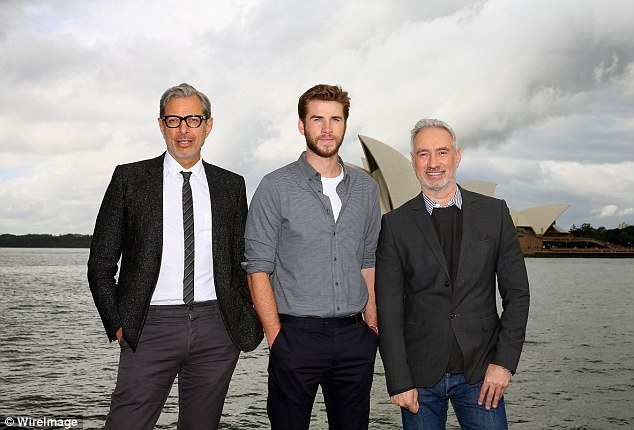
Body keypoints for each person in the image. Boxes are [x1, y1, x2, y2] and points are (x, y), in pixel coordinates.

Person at [87, 83, 262, 430]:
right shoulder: (130, 179)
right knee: (127, 422)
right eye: (174, 120)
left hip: (217, 327)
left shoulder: (232, 185)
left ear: (208, 125)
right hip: (150, 324)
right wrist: (120, 325)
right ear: (161, 124)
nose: (184, 130)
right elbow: (101, 263)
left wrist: (245, 317)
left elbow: (242, 259)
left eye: (193, 120)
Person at [375, 118, 530, 429]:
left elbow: (517, 294)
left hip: (482, 371)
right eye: (423, 154)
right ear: (413, 161)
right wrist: (398, 380)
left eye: (442, 152)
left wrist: (504, 364)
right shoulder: (395, 224)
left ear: (457, 156)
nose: (433, 163)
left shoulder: (494, 213)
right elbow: (388, 308)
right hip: (420, 377)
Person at [243, 84, 381, 430]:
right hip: (296, 337)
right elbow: (257, 268)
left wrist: (372, 327)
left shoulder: (367, 189)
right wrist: (277, 339)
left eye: (335, 119)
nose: (327, 128)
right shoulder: (275, 186)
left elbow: (367, 260)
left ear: (345, 124)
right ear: (302, 125)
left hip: (354, 339)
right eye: (317, 119)